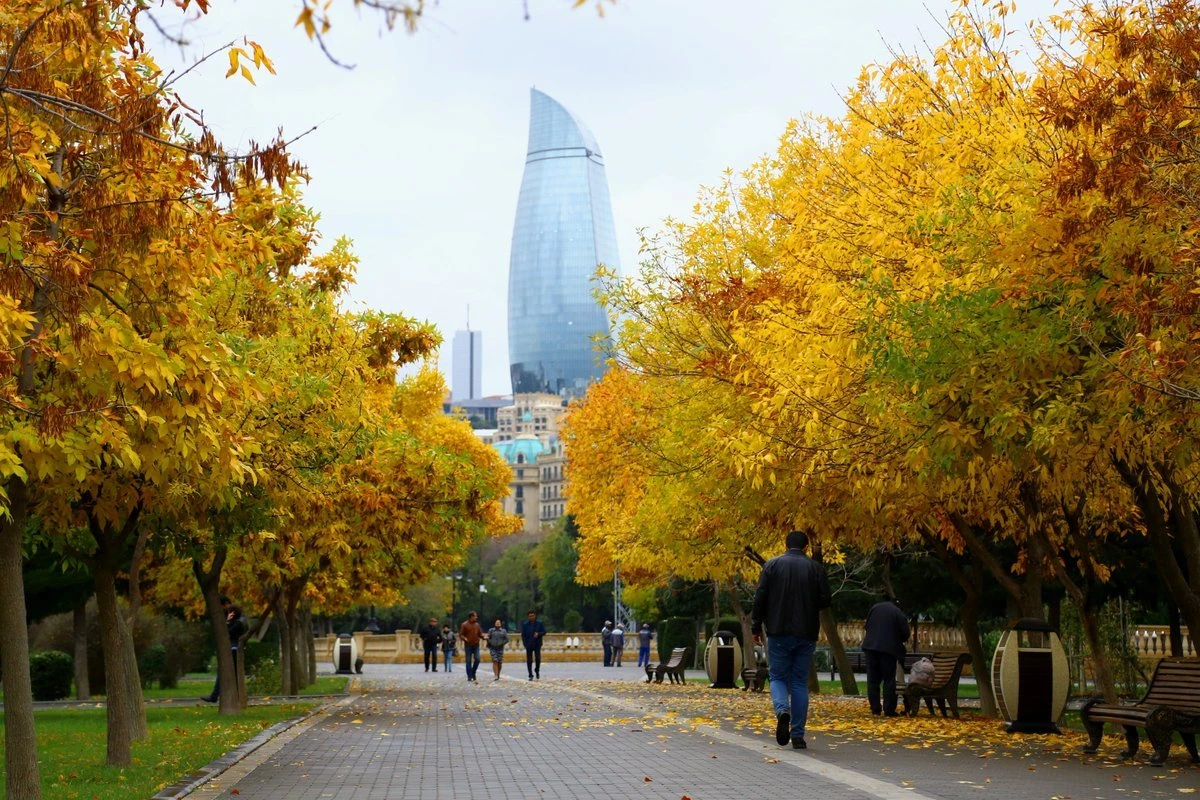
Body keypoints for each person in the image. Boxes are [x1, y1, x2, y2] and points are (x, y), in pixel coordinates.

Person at [752, 530, 831, 750]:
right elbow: (826, 599)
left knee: (777, 676)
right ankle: (798, 735)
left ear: (785, 545)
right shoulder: (816, 568)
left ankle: (782, 710)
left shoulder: (772, 566)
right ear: (806, 547)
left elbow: (760, 597)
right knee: (798, 681)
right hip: (806, 631)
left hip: (778, 630)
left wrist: (756, 626)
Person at [861, 596, 910, 717]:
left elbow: (867, 626)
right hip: (888, 650)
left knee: (872, 680)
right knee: (889, 680)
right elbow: (905, 634)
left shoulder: (875, 608)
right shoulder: (898, 613)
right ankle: (889, 710)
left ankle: (875, 709)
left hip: (871, 648)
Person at [202, 596, 248, 703]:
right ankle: (240, 696)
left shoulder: (237, 623)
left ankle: (215, 696)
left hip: (233, 649)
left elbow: (226, 632)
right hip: (235, 649)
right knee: (234, 675)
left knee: (224, 673)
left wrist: (227, 621)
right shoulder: (241, 620)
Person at [520, 610, 546, 680]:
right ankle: (530, 674)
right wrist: (525, 644)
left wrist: (538, 634)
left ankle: (537, 670)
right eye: (530, 616)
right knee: (529, 660)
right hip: (529, 644)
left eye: (532, 616)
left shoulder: (539, 623)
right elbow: (523, 635)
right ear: (528, 617)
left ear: (535, 616)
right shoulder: (525, 624)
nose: (531, 617)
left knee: (538, 659)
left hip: (537, 644)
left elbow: (544, 632)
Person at [459, 611, 483, 682]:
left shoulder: (477, 625)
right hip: (468, 645)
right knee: (468, 661)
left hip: (476, 645)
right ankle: (469, 676)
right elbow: (461, 634)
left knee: (477, 659)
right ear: (471, 617)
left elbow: (479, 634)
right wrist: (465, 638)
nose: (476, 617)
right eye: (475, 616)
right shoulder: (464, 624)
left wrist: (484, 637)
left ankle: (473, 672)